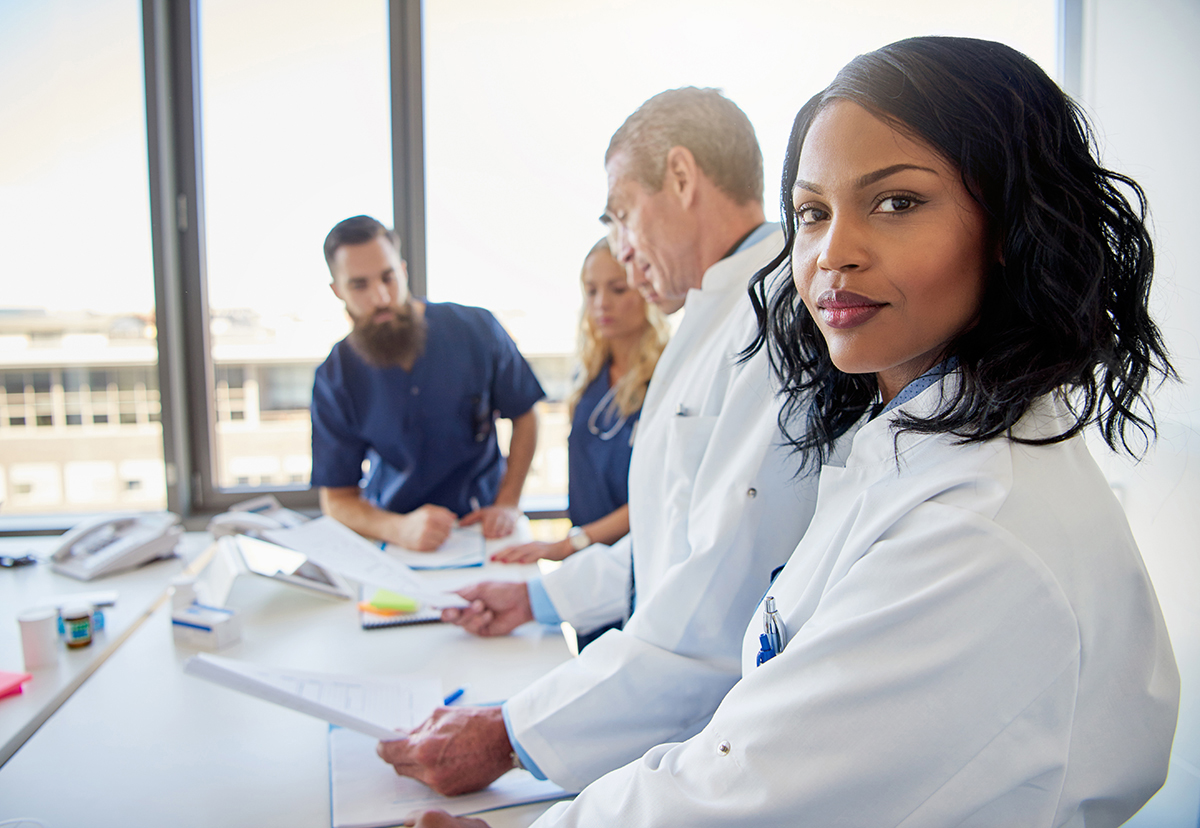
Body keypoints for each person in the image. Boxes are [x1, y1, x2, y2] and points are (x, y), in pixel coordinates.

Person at [398, 36, 1179, 828]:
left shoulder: (972, 525)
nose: (833, 253)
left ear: (1010, 223)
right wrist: (542, 593)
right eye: (812, 213)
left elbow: (747, 763)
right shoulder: (899, 431)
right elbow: (688, 544)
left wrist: (519, 754)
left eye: (897, 202)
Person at [377, 88, 823, 795]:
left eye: (620, 214)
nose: (621, 248)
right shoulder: (714, 317)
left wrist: (508, 734)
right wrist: (536, 600)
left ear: (681, 178)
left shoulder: (775, 329)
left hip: (718, 752)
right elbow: (672, 546)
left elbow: (713, 614)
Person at [310, 215, 544, 551]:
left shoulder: (476, 329)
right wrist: (397, 529)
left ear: (403, 271)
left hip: (483, 526)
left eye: (388, 278)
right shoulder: (336, 376)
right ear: (338, 291)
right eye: (359, 285)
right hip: (396, 535)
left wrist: (508, 501)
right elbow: (336, 500)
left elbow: (526, 415)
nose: (380, 297)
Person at [490, 239, 668, 565]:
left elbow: (659, 494)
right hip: (586, 557)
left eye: (617, 289)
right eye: (591, 291)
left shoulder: (668, 377)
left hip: (637, 559)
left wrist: (572, 543)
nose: (601, 304)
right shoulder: (589, 378)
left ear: (645, 288)